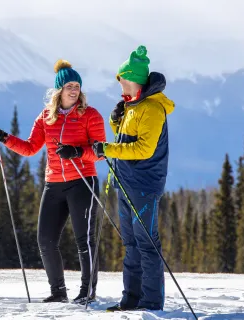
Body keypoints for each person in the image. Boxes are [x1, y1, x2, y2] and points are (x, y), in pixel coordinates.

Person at [0, 59, 106, 305]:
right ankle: (58, 291)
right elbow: (31, 148)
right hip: (54, 184)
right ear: (59, 90)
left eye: (77, 86)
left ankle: (87, 291)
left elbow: (100, 151)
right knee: (45, 240)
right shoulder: (46, 117)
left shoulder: (90, 115)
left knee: (84, 239)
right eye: (69, 86)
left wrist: (76, 152)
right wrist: (4, 138)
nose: (74, 90)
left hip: (83, 181)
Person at [92, 45, 175, 311]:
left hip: (144, 185)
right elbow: (125, 138)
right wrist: (115, 121)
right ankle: (131, 299)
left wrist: (105, 148)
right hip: (126, 183)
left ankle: (151, 303)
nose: (121, 85)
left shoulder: (151, 109)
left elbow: (143, 149)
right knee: (131, 243)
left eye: (123, 80)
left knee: (147, 243)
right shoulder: (133, 105)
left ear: (135, 81)